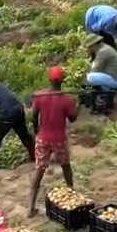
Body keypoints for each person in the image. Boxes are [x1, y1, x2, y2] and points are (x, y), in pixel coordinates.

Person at [27, 66, 79, 214]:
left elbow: (34, 116)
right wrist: (76, 106)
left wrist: (37, 130)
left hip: (43, 138)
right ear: (62, 80)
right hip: (59, 139)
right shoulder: (66, 100)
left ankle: (30, 207)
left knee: (39, 170)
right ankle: (72, 194)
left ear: (49, 79)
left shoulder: (40, 97)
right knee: (65, 166)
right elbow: (73, 119)